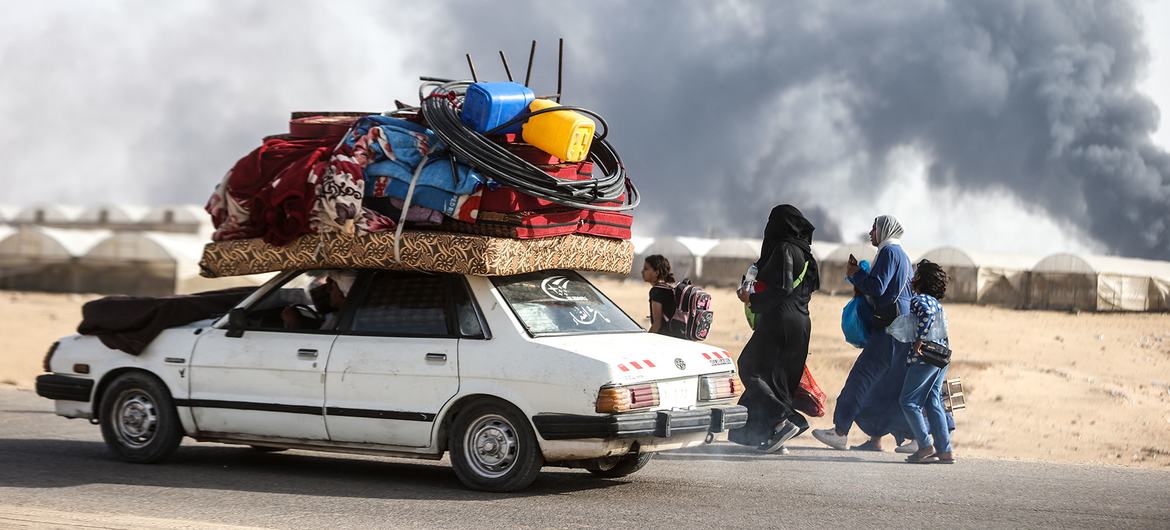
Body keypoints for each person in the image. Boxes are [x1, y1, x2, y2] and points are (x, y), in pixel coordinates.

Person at [812, 215, 912, 450]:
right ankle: (892, 437)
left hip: (889, 330)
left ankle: (839, 431)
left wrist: (856, 274)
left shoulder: (889, 252)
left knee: (861, 378)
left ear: (884, 230)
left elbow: (878, 287)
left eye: (874, 228)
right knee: (885, 387)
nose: (870, 233)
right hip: (899, 331)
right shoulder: (902, 255)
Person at [728, 205, 820, 453]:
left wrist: (751, 299)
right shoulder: (806, 254)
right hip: (801, 324)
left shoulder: (784, 249)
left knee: (749, 366)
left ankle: (785, 420)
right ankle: (774, 436)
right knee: (778, 381)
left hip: (779, 321)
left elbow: (782, 288)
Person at [896, 259, 956, 464]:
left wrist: (919, 341)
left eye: (916, 274)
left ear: (921, 279)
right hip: (941, 357)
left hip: (925, 357)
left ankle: (924, 446)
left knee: (908, 401)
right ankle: (945, 450)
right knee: (933, 400)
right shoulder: (936, 303)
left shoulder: (919, 300)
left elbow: (926, 317)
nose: (912, 277)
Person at [641, 255, 678, 336]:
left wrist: (646, 340)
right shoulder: (669, 289)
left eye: (646, 269)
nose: (642, 271)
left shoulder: (656, 291)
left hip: (664, 337)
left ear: (656, 272)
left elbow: (657, 324)